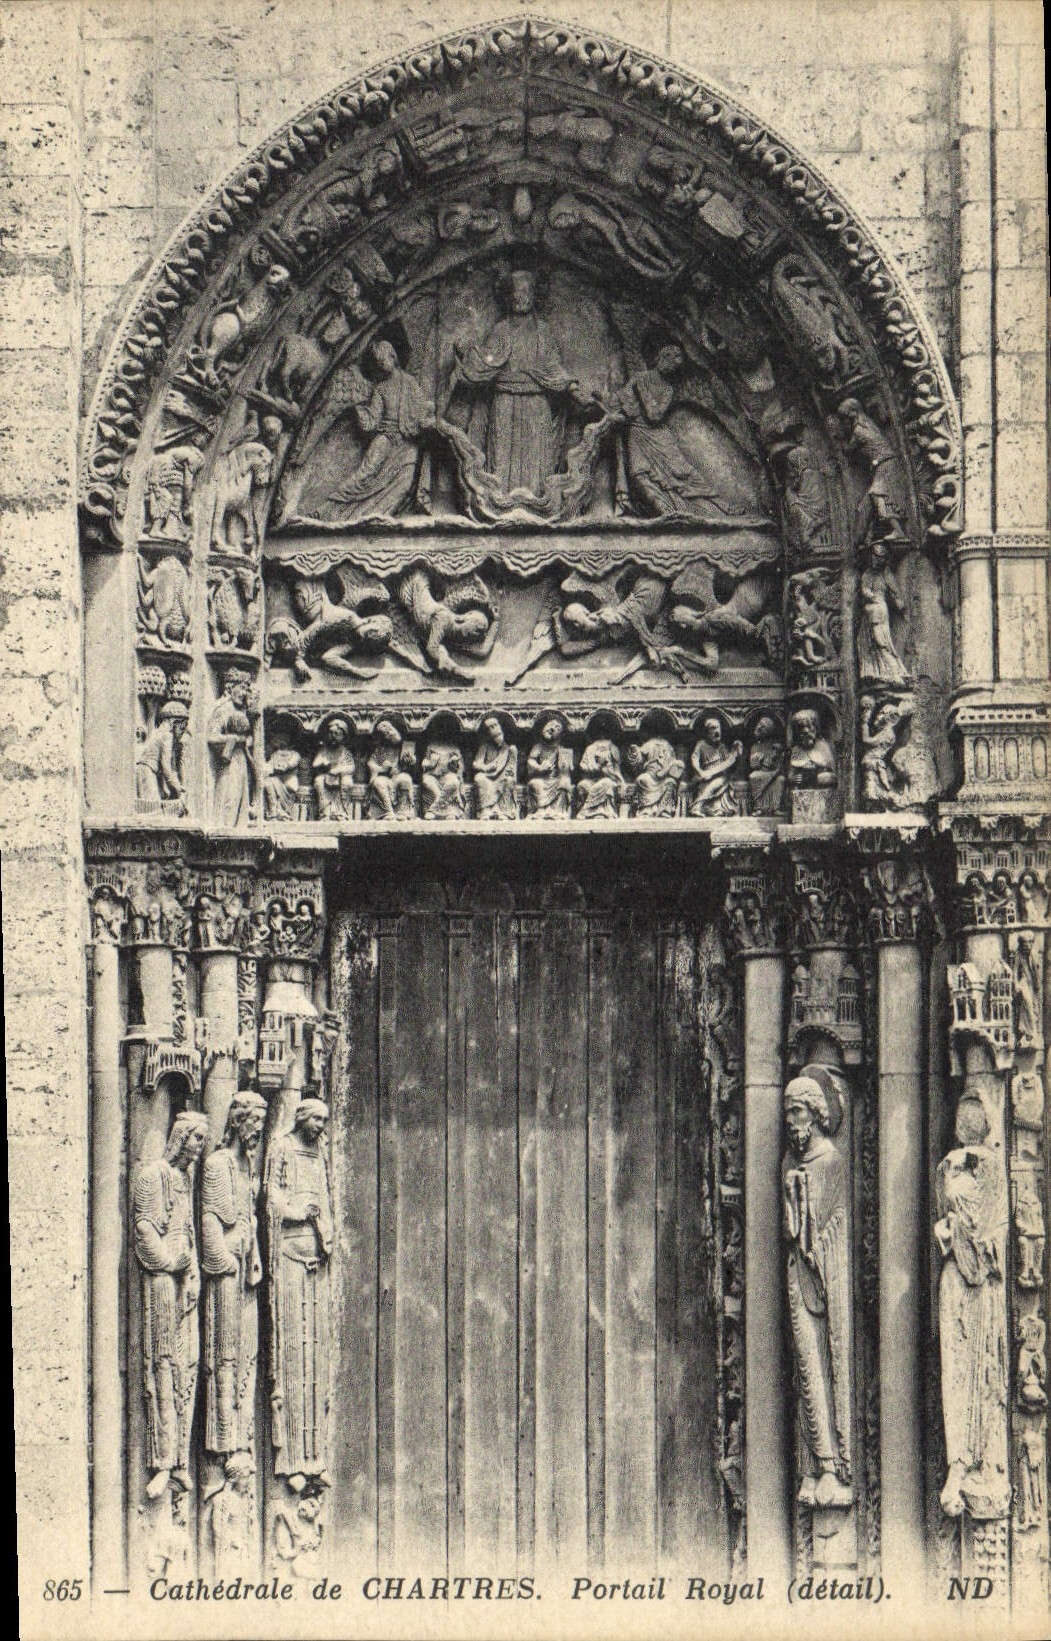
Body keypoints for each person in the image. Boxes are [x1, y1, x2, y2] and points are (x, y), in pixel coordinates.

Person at [934, 1097, 1010, 1519]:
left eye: (974, 1113)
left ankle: (982, 1461)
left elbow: (990, 1244)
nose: (965, 1121)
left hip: (980, 1284)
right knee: (955, 1370)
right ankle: (957, 1463)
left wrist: (964, 1233)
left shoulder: (991, 1169)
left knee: (981, 1372)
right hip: (954, 1281)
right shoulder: (949, 1165)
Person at [782, 1069, 852, 1509]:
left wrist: (798, 1193)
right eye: (788, 1113)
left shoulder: (830, 1161)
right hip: (797, 1277)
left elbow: (820, 1231)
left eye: (798, 1110)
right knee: (804, 1368)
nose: (791, 1121)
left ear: (817, 1113)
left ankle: (833, 1465)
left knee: (820, 1365)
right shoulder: (793, 1165)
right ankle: (812, 1463)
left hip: (821, 1282)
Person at [134, 1111, 210, 1499]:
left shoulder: (185, 1179)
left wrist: (193, 1273)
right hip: (162, 1284)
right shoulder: (154, 1175)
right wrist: (168, 1262)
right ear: (181, 1137)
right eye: (197, 1139)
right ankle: (161, 1461)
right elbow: (144, 1226)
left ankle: (180, 1458)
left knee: (188, 1365)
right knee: (163, 1365)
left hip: (183, 1285)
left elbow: (190, 1233)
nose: (200, 1147)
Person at [455, 267, 581, 495]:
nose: (520, 297)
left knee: (537, 458)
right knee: (501, 454)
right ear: (508, 297)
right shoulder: (500, 330)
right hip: (504, 400)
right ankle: (498, 504)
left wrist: (571, 386)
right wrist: (468, 356)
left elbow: (552, 366)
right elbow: (486, 362)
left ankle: (539, 505)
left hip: (536, 401)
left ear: (534, 295)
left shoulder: (544, 332)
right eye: (516, 292)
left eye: (526, 292)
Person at [266, 1100, 333, 1492]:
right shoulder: (280, 1146)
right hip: (289, 1262)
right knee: (292, 1358)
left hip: (316, 1262)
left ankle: (316, 1457)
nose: (321, 1126)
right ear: (301, 1118)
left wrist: (327, 1231)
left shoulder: (319, 1151)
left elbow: (325, 1198)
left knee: (316, 1361)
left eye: (325, 1120)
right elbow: (270, 1198)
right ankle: (290, 1458)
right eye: (317, 1119)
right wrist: (295, 1210)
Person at [201, 1090, 267, 1460]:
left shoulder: (248, 1167)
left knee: (247, 1347)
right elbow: (213, 1216)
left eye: (262, 1121)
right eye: (253, 1121)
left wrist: (251, 1251)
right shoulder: (219, 1163)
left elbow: (250, 1217)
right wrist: (225, 1259)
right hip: (227, 1268)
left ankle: (243, 1433)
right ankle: (223, 1437)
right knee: (225, 1349)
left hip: (246, 1266)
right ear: (237, 1121)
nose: (257, 1128)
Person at [326, 339, 434, 519]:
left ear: (393, 357)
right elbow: (372, 421)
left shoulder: (410, 383)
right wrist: (357, 408)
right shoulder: (380, 389)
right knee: (365, 474)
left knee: (406, 483)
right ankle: (330, 507)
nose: (382, 366)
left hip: (407, 442)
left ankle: (379, 517)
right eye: (378, 363)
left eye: (384, 361)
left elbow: (421, 409)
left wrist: (427, 414)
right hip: (385, 438)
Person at [208, 670, 254, 825]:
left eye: (247, 689)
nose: (244, 693)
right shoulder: (223, 709)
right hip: (230, 761)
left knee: (241, 800)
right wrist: (235, 739)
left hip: (241, 758)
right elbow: (212, 737)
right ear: (229, 688)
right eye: (241, 688)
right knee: (231, 798)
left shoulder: (241, 710)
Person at [136, 701, 189, 809]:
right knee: (152, 807)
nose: (182, 732)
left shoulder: (159, 732)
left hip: (149, 771)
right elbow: (166, 767)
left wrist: (174, 786)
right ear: (174, 722)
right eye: (182, 728)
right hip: (146, 771)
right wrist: (177, 787)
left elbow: (170, 767)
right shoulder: (167, 735)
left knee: (159, 802)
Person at [690, 717, 742, 817]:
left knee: (718, 782)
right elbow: (694, 759)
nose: (717, 731)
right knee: (705, 784)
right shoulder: (701, 745)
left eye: (718, 728)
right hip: (705, 775)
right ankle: (707, 808)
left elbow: (728, 763)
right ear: (707, 732)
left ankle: (700, 806)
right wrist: (700, 771)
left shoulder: (721, 747)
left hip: (720, 775)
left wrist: (736, 753)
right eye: (713, 728)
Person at [365, 719, 415, 819]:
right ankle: (387, 811)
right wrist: (381, 768)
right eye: (385, 734)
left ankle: (403, 811)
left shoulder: (403, 747)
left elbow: (411, 764)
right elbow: (371, 763)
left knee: (405, 779)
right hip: (384, 778)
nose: (389, 735)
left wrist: (410, 760)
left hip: (398, 776)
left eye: (390, 732)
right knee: (378, 783)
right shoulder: (380, 750)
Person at [526, 715, 574, 818]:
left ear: (561, 734)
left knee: (564, 783)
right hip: (542, 778)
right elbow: (531, 760)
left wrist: (566, 767)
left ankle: (558, 811)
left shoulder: (563, 750)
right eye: (550, 726)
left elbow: (567, 770)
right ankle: (540, 810)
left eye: (557, 728)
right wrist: (539, 768)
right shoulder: (539, 747)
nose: (552, 729)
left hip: (556, 779)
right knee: (535, 783)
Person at [473, 715, 518, 821]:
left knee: (509, 780)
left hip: (503, 776)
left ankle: (503, 811)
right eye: (489, 728)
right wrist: (486, 767)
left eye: (495, 725)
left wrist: (507, 773)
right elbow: (476, 764)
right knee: (479, 778)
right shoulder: (485, 747)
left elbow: (512, 767)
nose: (493, 729)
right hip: (487, 776)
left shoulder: (510, 749)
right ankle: (485, 810)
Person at [312, 716, 357, 821]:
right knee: (318, 780)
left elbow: (351, 767)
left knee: (347, 782)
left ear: (343, 736)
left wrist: (339, 770)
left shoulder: (345, 752)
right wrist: (323, 763)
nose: (333, 736)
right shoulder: (324, 750)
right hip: (327, 776)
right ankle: (325, 812)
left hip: (342, 776)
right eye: (331, 733)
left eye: (337, 734)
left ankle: (341, 812)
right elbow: (315, 764)